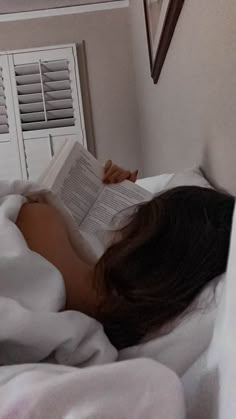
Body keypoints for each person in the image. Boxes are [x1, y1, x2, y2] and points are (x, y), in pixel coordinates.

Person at [16, 161, 234, 350]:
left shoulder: (39, 218)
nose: (132, 217)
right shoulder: (107, 341)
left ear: (150, 239)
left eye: (146, 212)